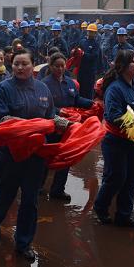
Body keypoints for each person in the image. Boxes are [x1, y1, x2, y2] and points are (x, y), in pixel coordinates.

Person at [0, 49, 62, 263]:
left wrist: (61, 123)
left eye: (24, 64)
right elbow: (2, 119)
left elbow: (50, 116)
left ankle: (23, 243)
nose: (20, 68)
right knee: (5, 195)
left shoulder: (42, 89)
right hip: (9, 155)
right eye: (16, 64)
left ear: (33, 66)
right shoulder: (2, 89)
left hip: (35, 156)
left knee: (30, 200)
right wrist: (36, 125)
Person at [94, 50, 134, 228]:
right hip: (116, 141)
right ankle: (101, 207)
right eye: (133, 62)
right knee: (116, 177)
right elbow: (112, 116)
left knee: (132, 178)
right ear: (123, 66)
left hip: (133, 138)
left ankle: (124, 215)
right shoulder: (115, 89)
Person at [41, 52, 93, 201]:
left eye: (62, 66)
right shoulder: (44, 84)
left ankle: (58, 190)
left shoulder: (70, 83)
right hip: (51, 126)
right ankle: (38, 186)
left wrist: (91, 103)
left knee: (65, 157)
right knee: (45, 157)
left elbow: (76, 100)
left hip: (68, 127)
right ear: (51, 66)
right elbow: (43, 106)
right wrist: (59, 112)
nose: (60, 69)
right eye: (56, 66)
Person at [77, 23, 103, 99]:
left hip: (90, 71)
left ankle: (88, 103)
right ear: (87, 32)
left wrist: (84, 54)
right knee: (80, 88)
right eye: (90, 31)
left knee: (88, 90)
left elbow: (94, 56)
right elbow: (78, 50)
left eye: (92, 32)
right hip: (81, 69)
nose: (91, 33)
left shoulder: (96, 44)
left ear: (95, 33)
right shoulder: (82, 41)